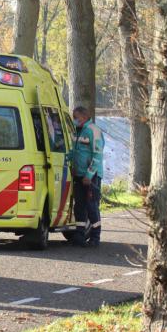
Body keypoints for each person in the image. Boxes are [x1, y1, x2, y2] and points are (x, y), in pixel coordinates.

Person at [69, 106, 105, 248]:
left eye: (76, 117)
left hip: (92, 176)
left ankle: (95, 237)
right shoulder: (77, 131)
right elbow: (74, 151)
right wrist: (70, 164)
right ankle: (79, 235)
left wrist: (89, 174)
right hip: (78, 175)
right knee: (79, 206)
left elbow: (97, 155)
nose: (74, 120)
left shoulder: (94, 131)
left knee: (91, 206)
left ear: (84, 117)